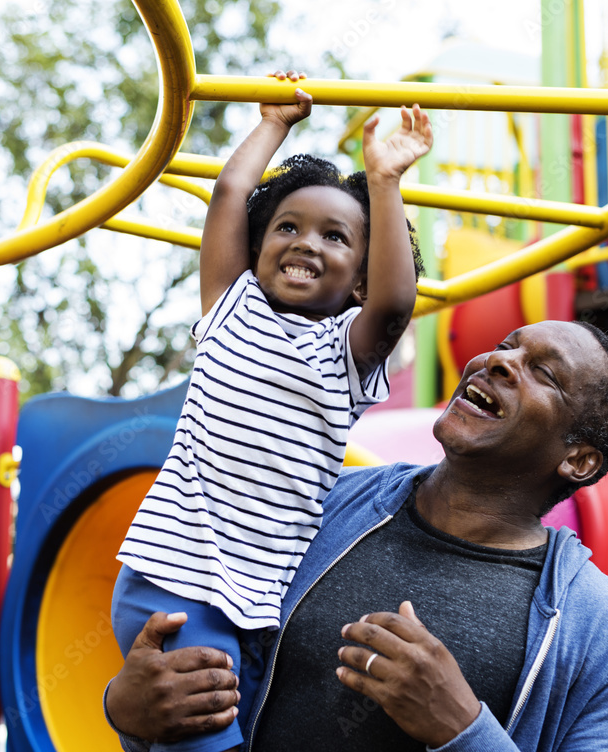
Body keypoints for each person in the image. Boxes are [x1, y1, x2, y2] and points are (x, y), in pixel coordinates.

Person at [107, 320, 608, 751]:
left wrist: (461, 729)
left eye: (543, 373)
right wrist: (129, 712)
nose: (498, 361)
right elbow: (202, 686)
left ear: (578, 460)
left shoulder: (602, 626)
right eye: (507, 346)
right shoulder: (320, 502)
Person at [111, 69, 433, 751]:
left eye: (336, 238)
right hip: (177, 582)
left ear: (361, 279)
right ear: (257, 248)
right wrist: (273, 124)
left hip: (256, 608)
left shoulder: (344, 354)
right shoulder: (233, 310)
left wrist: (384, 181)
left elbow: (398, 305)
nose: (307, 243)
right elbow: (231, 192)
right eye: (287, 227)